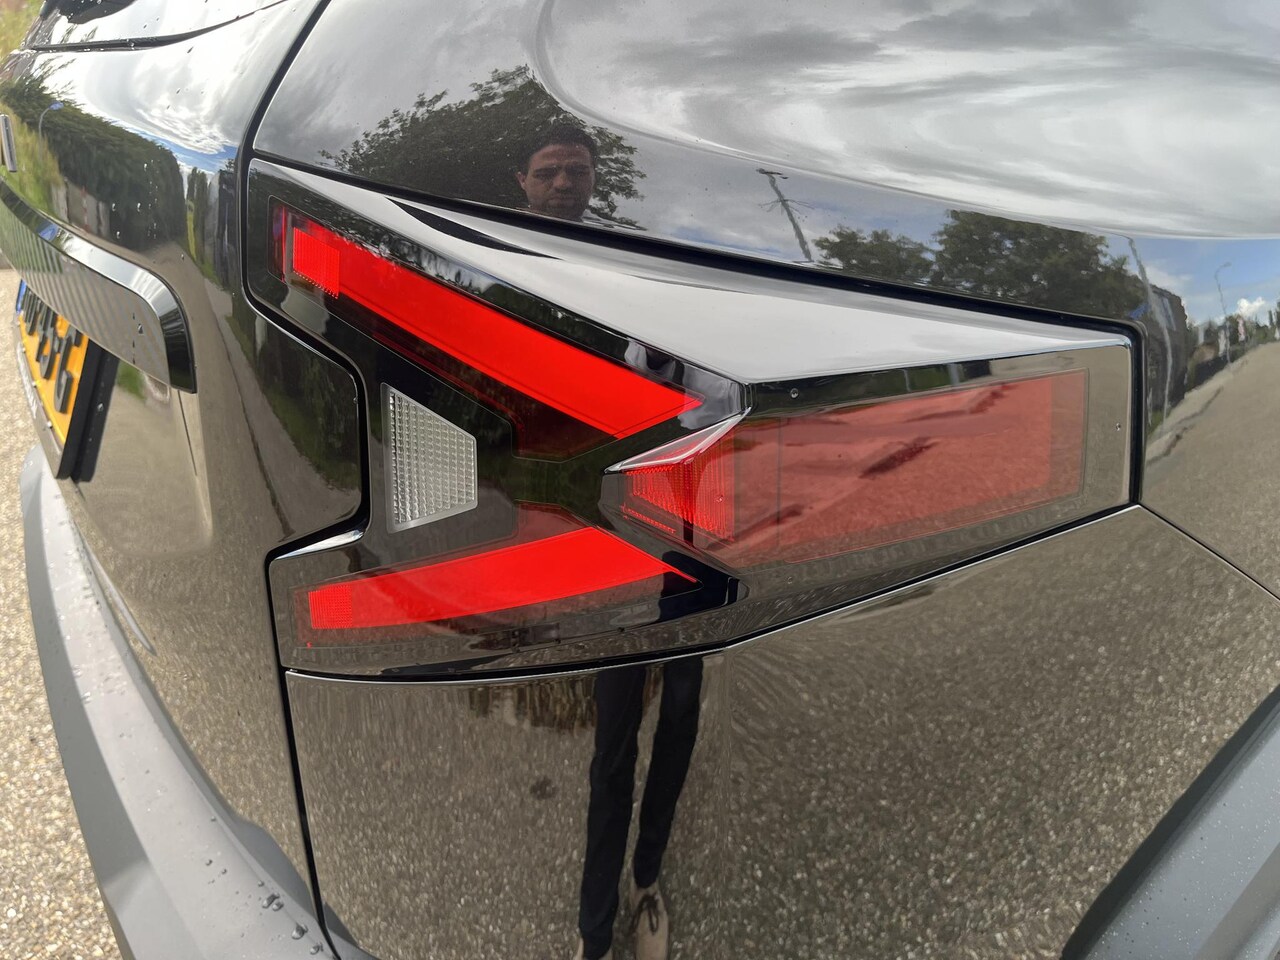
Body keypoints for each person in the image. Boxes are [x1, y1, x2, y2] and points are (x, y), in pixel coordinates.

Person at [574, 657, 704, 960]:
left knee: (680, 717)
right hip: (618, 625)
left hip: (688, 625)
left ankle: (646, 880)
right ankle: (595, 937)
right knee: (612, 748)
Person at [516, 123, 597, 221]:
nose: (562, 184)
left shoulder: (609, 229)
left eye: (578, 173)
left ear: (594, 178)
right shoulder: (501, 221)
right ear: (522, 180)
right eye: (545, 175)